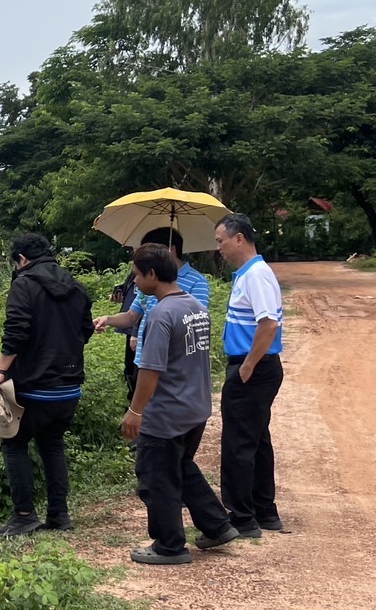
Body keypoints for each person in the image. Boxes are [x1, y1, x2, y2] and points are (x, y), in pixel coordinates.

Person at [120, 243, 238, 565]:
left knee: (155, 475)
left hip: (167, 411)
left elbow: (150, 370)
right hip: (195, 407)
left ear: (152, 275)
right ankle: (217, 525)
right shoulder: (195, 307)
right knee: (181, 467)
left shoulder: (161, 314)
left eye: (137, 275)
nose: (135, 281)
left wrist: (135, 411)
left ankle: (169, 545)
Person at [0, 233, 95, 537]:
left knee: (14, 442)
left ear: (21, 259)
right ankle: (59, 515)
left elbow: (16, 333)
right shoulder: (76, 287)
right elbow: (86, 331)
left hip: (34, 386)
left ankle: (24, 516)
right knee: (52, 444)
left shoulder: (24, 285)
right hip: (70, 387)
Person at [214, 213, 286, 537]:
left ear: (239, 238)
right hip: (255, 367)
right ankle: (263, 510)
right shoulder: (249, 273)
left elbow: (268, 323)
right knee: (256, 439)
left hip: (253, 368)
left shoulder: (256, 274)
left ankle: (241, 517)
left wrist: (246, 366)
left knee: (238, 443)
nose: (219, 248)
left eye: (221, 241)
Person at [93, 227, 212, 376]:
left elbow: (195, 324)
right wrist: (107, 319)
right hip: (143, 360)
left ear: (170, 250)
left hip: (173, 366)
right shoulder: (148, 282)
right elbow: (131, 316)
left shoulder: (197, 282)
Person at [109, 264, 140, 398]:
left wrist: (136, 332)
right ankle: (131, 398)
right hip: (130, 327)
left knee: (138, 368)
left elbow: (144, 309)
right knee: (129, 366)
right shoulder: (133, 275)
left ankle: (136, 402)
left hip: (137, 331)